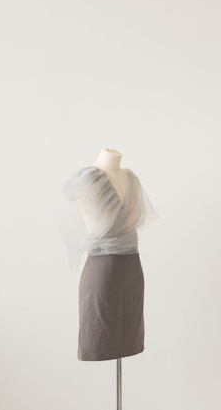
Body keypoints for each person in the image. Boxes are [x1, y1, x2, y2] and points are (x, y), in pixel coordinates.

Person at [61, 148, 156, 360]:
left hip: (132, 267)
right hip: (102, 270)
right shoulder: (87, 180)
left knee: (129, 336)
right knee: (100, 337)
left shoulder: (131, 179)